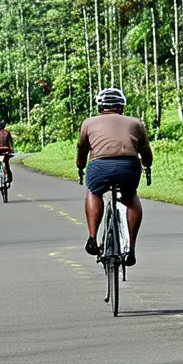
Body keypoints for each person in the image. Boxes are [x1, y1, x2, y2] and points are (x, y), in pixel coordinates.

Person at [76, 88, 152, 267]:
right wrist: (147, 166)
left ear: (100, 107)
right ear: (121, 107)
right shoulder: (136, 123)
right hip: (128, 167)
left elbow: (82, 149)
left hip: (99, 166)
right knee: (130, 197)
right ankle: (131, 249)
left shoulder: (88, 123)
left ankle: (93, 237)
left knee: (94, 192)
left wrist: (80, 166)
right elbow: (145, 152)